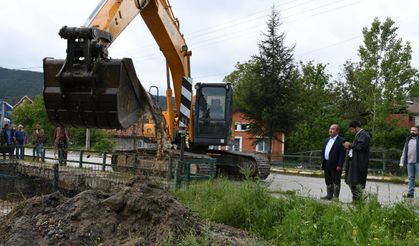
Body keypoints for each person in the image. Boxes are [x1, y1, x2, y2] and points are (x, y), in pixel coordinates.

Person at [343, 120, 371, 202]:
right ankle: (355, 200)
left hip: (359, 162)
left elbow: (360, 146)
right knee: (351, 181)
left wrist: (350, 145)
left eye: (352, 129)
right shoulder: (359, 135)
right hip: (354, 162)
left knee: (356, 181)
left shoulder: (364, 135)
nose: (352, 131)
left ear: (356, 127)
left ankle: (357, 200)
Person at [320, 124, 346, 201]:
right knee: (328, 180)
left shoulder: (341, 140)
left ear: (337, 131)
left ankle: (336, 197)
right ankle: (329, 195)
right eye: (330, 128)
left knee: (336, 181)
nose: (330, 130)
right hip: (326, 163)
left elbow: (342, 154)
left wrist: (340, 165)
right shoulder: (327, 140)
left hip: (336, 165)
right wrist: (322, 162)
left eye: (332, 129)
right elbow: (323, 152)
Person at [399, 126, 419, 198]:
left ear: (417, 132)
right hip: (409, 162)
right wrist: (401, 162)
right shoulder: (408, 140)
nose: (412, 131)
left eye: (414, 130)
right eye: (411, 130)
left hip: (418, 162)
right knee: (411, 178)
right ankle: (410, 193)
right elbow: (404, 151)